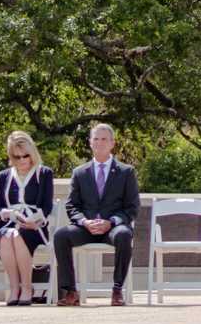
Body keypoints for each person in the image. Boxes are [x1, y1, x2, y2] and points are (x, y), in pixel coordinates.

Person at [56, 122, 140, 307]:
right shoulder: (79, 173)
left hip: (113, 228)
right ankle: (70, 291)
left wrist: (111, 222)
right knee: (61, 235)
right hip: (87, 227)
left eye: (104, 139)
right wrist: (84, 222)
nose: (100, 143)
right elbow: (71, 206)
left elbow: (132, 207)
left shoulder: (126, 172)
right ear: (90, 143)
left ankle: (117, 290)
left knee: (125, 234)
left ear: (112, 143)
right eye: (96, 139)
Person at [0, 131, 54, 306]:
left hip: (35, 226)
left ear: (32, 152)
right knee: (6, 236)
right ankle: (14, 288)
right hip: (10, 222)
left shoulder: (44, 173)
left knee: (18, 236)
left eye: (25, 156)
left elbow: (46, 206)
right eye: (16, 157)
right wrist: (10, 214)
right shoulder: (4, 176)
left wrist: (34, 220)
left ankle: (27, 287)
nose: (22, 160)